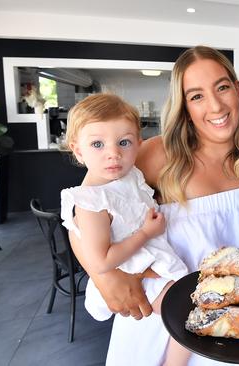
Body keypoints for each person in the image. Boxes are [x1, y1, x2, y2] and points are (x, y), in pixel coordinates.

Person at [68, 46, 239, 365]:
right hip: (156, 328)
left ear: (238, 91)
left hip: (230, 334)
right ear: (184, 106)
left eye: (223, 87)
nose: (215, 105)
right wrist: (104, 276)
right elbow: (85, 213)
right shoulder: (156, 155)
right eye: (196, 95)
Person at [60, 93, 190, 366]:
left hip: (149, 261)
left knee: (188, 306)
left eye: (124, 142)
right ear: (78, 150)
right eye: (97, 144)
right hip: (133, 273)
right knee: (185, 315)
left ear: (138, 144)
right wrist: (145, 233)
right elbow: (101, 260)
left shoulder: (128, 176)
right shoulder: (91, 201)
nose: (113, 154)